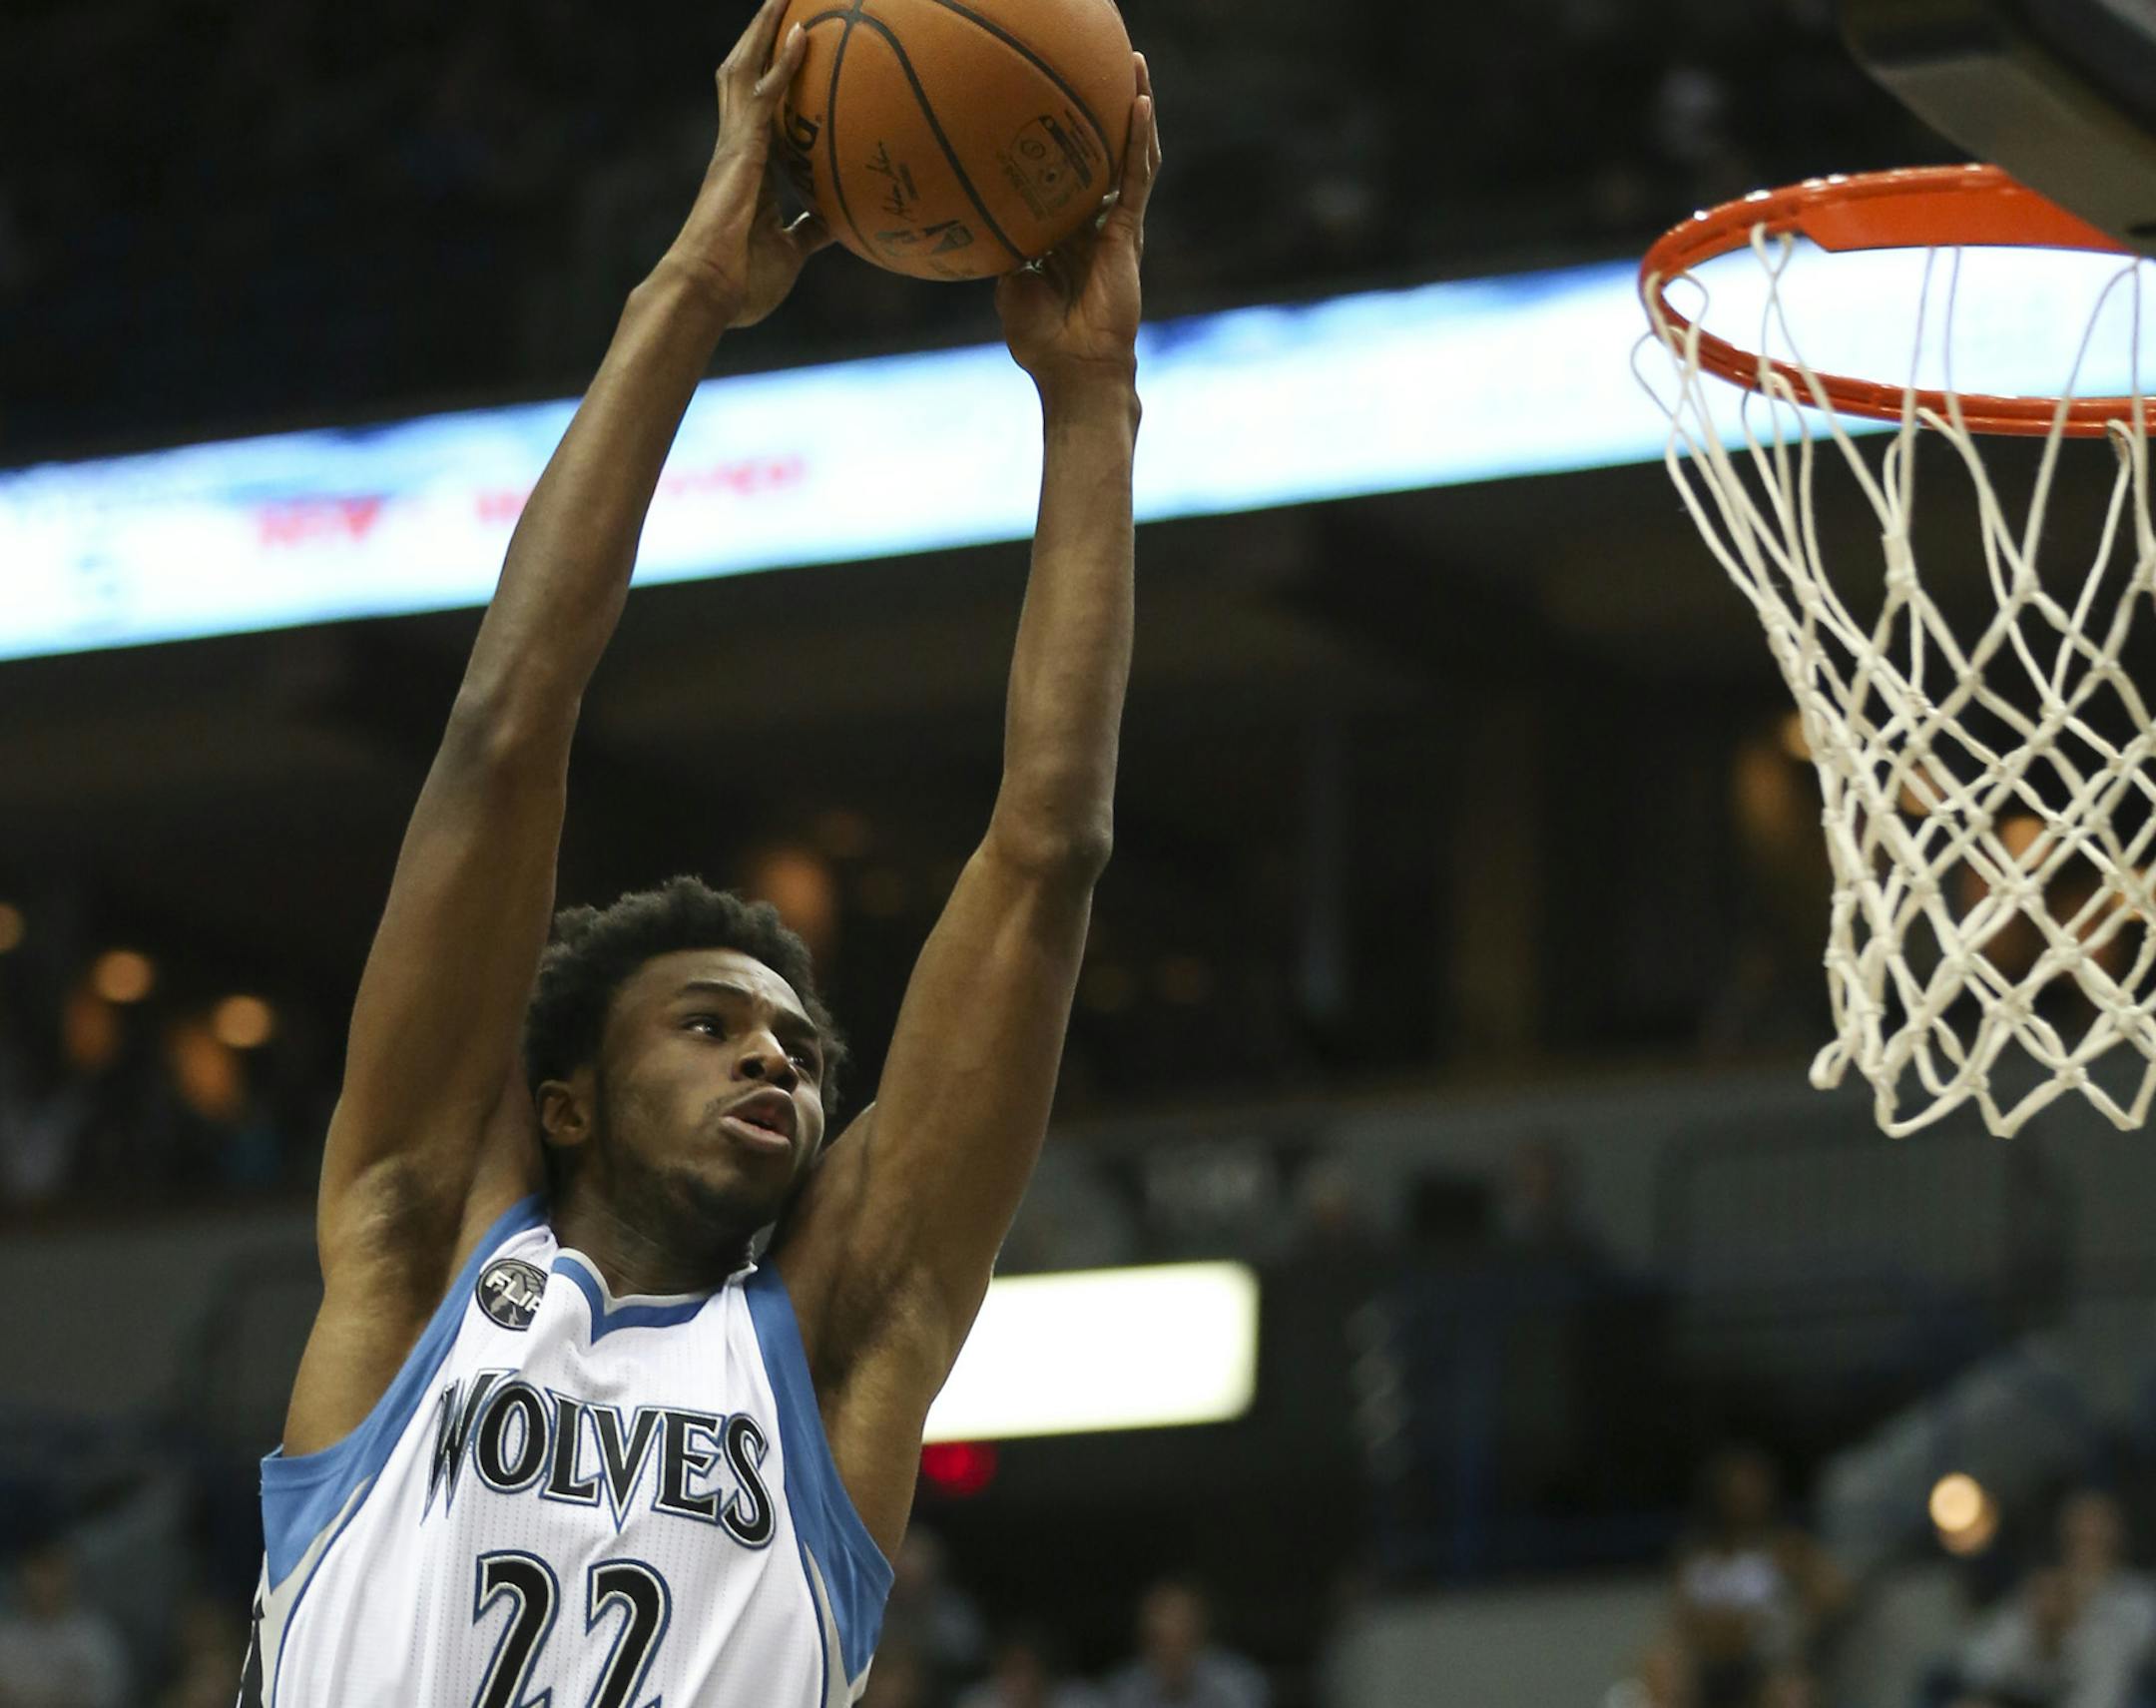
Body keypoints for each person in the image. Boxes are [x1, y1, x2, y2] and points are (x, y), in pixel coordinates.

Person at [235, 6, 1164, 1702]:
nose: (778, 1058)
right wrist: (690, 295)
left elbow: (1048, 851)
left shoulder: (837, 1345)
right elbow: (505, 732)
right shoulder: (422, 1236)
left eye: (801, 1049)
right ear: (567, 1098)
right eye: (713, 1024)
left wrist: (1091, 406)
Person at [1671, 1447, 1850, 1708]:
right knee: (1663, 1670)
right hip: (1708, 1666)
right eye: (1737, 1491)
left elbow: (1836, 1595)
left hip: (1767, 1667)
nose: (1746, 1499)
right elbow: (1681, 1621)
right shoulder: (1694, 1556)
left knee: (1791, 1692)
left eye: (1753, 1489)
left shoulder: (1785, 1548)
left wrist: (1802, 1612)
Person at [1946, 1490, 2156, 1708]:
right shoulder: (2037, 1596)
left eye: (2098, 1531)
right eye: (2080, 1532)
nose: (2089, 1536)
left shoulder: (2138, 1598)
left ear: (2118, 1534)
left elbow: (2107, 1689)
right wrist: (2041, 1635)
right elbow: (1978, 1663)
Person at [0, 1535, 131, 1708]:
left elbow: (106, 1697)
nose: (45, 1583)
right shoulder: (5, 1638)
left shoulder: (96, 1638)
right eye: (38, 1570)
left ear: (70, 1573)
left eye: (53, 1570)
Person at [1105, 1579, 1269, 1708]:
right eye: (1159, 1638)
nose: (1170, 1647)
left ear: (1200, 1630)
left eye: (1180, 1626)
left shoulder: (1236, 1683)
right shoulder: (1124, 1689)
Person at [956, 1622, 1105, 1708]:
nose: (1016, 1682)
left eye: (1023, 1669)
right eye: (1009, 1670)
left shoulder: (1082, 1701)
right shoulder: (977, 1703)